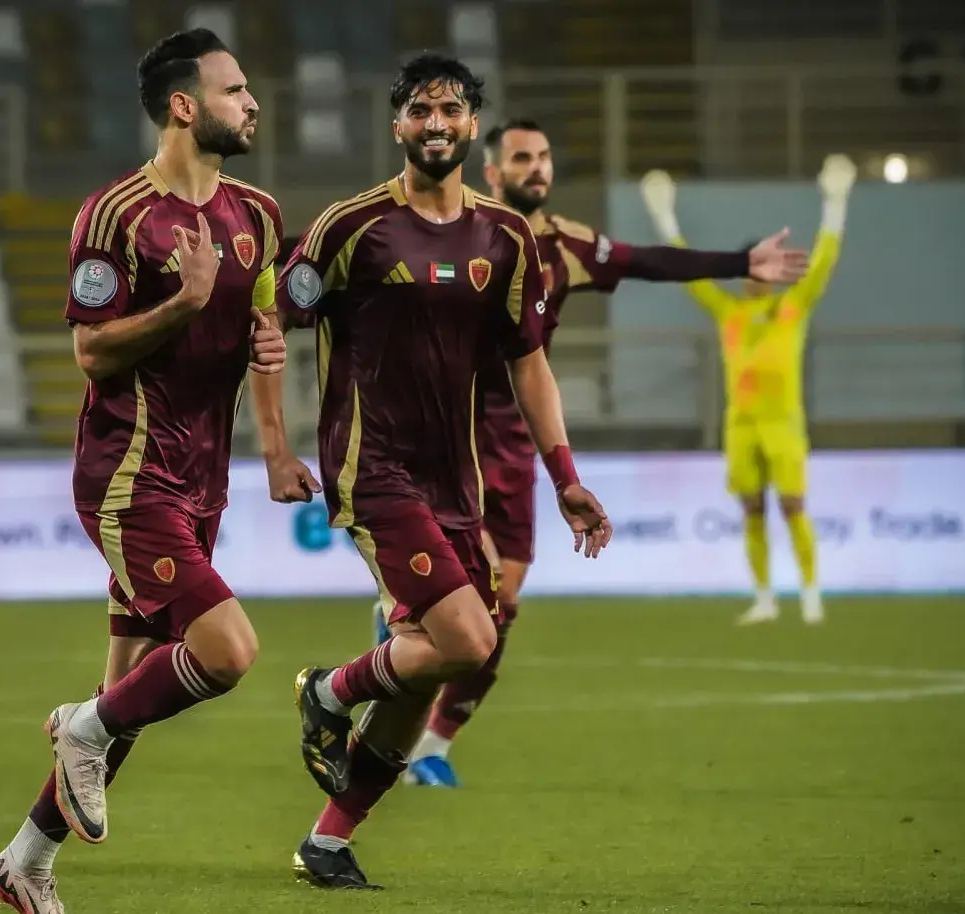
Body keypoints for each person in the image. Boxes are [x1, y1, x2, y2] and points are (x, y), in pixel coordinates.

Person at [0, 29, 311, 913]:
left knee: (129, 690)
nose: (252, 103)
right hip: (128, 473)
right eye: (235, 90)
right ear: (184, 105)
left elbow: (265, 332)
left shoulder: (257, 215)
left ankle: (24, 864)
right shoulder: (116, 215)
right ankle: (78, 727)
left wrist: (277, 446)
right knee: (227, 651)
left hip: (205, 477)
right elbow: (91, 352)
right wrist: (186, 302)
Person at [267, 54, 613, 890]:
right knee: (468, 640)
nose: (436, 124)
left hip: (459, 481)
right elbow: (268, 323)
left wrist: (565, 475)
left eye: (451, 110)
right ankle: (328, 691)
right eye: (420, 110)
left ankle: (329, 842)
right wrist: (275, 447)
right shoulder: (350, 227)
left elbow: (529, 363)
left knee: (432, 664)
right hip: (372, 468)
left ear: (471, 125)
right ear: (397, 125)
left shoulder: (506, 236)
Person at [388, 117, 810, 788]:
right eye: (521, 158)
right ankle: (390, 667)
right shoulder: (456, 232)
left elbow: (646, 261)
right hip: (443, 435)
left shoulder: (568, 246)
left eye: (543, 156)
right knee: (472, 588)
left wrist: (739, 262)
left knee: (503, 604)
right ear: (492, 171)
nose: (536, 168)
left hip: (515, 443)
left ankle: (431, 748)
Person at [641, 154, 856, 626]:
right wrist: (664, 217)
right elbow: (687, 274)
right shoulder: (729, 312)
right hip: (741, 424)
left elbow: (823, 263)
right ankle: (764, 597)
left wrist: (835, 203)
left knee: (793, 506)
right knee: (752, 509)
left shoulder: (793, 305)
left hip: (783, 424)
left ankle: (811, 593)